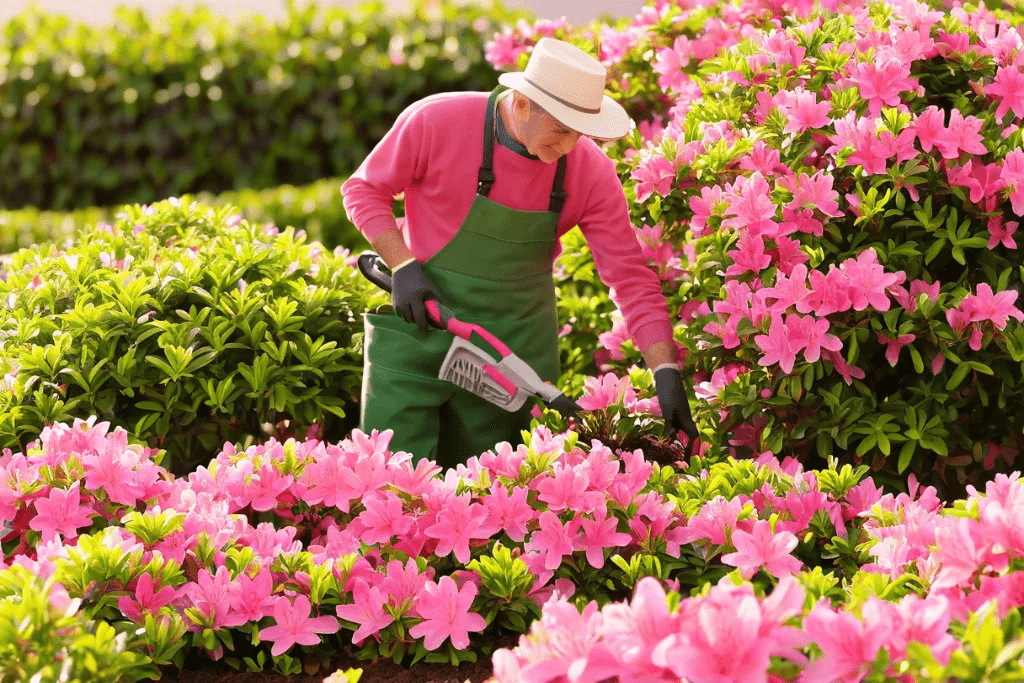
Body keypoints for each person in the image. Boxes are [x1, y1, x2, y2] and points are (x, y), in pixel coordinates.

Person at [341, 37, 699, 469]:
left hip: (511, 367)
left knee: (490, 507)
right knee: (391, 483)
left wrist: (667, 375)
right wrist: (403, 266)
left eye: (579, 133)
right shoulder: (437, 121)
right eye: (562, 130)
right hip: (420, 327)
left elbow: (631, 279)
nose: (569, 147)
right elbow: (363, 190)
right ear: (523, 104)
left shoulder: (589, 172)